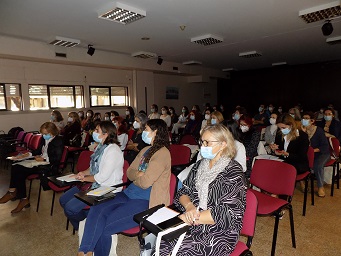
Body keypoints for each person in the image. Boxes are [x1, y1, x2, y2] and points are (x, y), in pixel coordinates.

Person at [78, 119, 171, 256]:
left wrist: (138, 176)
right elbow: (129, 172)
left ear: (156, 132)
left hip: (146, 201)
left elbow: (145, 183)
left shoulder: (162, 153)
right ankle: (85, 251)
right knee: (97, 208)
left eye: (146, 129)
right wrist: (139, 174)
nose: (143, 132)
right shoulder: (146, 149)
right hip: (128, 193)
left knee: (105, 227)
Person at [159, 124, 246, 256]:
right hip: (193, 217)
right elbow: (183, 192)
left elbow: (227, 213)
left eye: (207, 142)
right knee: (162, 243)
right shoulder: (200, 165)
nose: (202, 146)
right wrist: (189, 207)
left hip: (220, 230)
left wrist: (191, 217)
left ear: (223, 144)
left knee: (180, 251)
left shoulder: (233, 171)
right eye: (202, 142)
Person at [60, 121, 124, 230]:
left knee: (70, 208)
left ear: (106, 134)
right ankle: (88, 220)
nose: (93, 132)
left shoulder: (113, 150)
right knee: (63, 200)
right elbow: (93, 167)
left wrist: (84, 179)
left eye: (96, 130)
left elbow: (102, 177)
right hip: (94, 183)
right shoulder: (101, 147)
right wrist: (83, 173)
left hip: (107, 187)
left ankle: (85, 226)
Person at [0, 122, 64, 213]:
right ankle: (16, 194)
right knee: (15, 166)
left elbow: (56, 159)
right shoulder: (43, 138)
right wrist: (26, 155)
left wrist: (43, 159)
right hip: (40, 162)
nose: (43, 135)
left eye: (45, 134)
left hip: (48, 166)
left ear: (52, 132)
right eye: (42, 133)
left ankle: (17, 196)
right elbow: (37, 150)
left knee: (19, 169)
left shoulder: (58, 140)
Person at [270, 114, 309, 189]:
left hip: (298, 163)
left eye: (283, 128)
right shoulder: (279, 134)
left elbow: (301, 156)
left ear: (291, 125)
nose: (281, 130)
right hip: (284, 160)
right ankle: (273, 191)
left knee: (281, 172)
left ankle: (282, 194)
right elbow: (279, 150)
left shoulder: (302, 136)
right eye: (279, 128)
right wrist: (275, 150)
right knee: (270, 167)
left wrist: (288, 154)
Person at [301, 112, 330, 197]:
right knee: (298, 161)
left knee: (317, 165)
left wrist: (313, 151)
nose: (304, 120)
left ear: (312, 120)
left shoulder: (318, 130)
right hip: (309, 154)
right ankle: (302, 183)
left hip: (321, 153)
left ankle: (320, 187)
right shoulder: (301, 130)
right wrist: (303, 133)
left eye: (306, 118)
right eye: (303, 118)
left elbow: (325, 146)